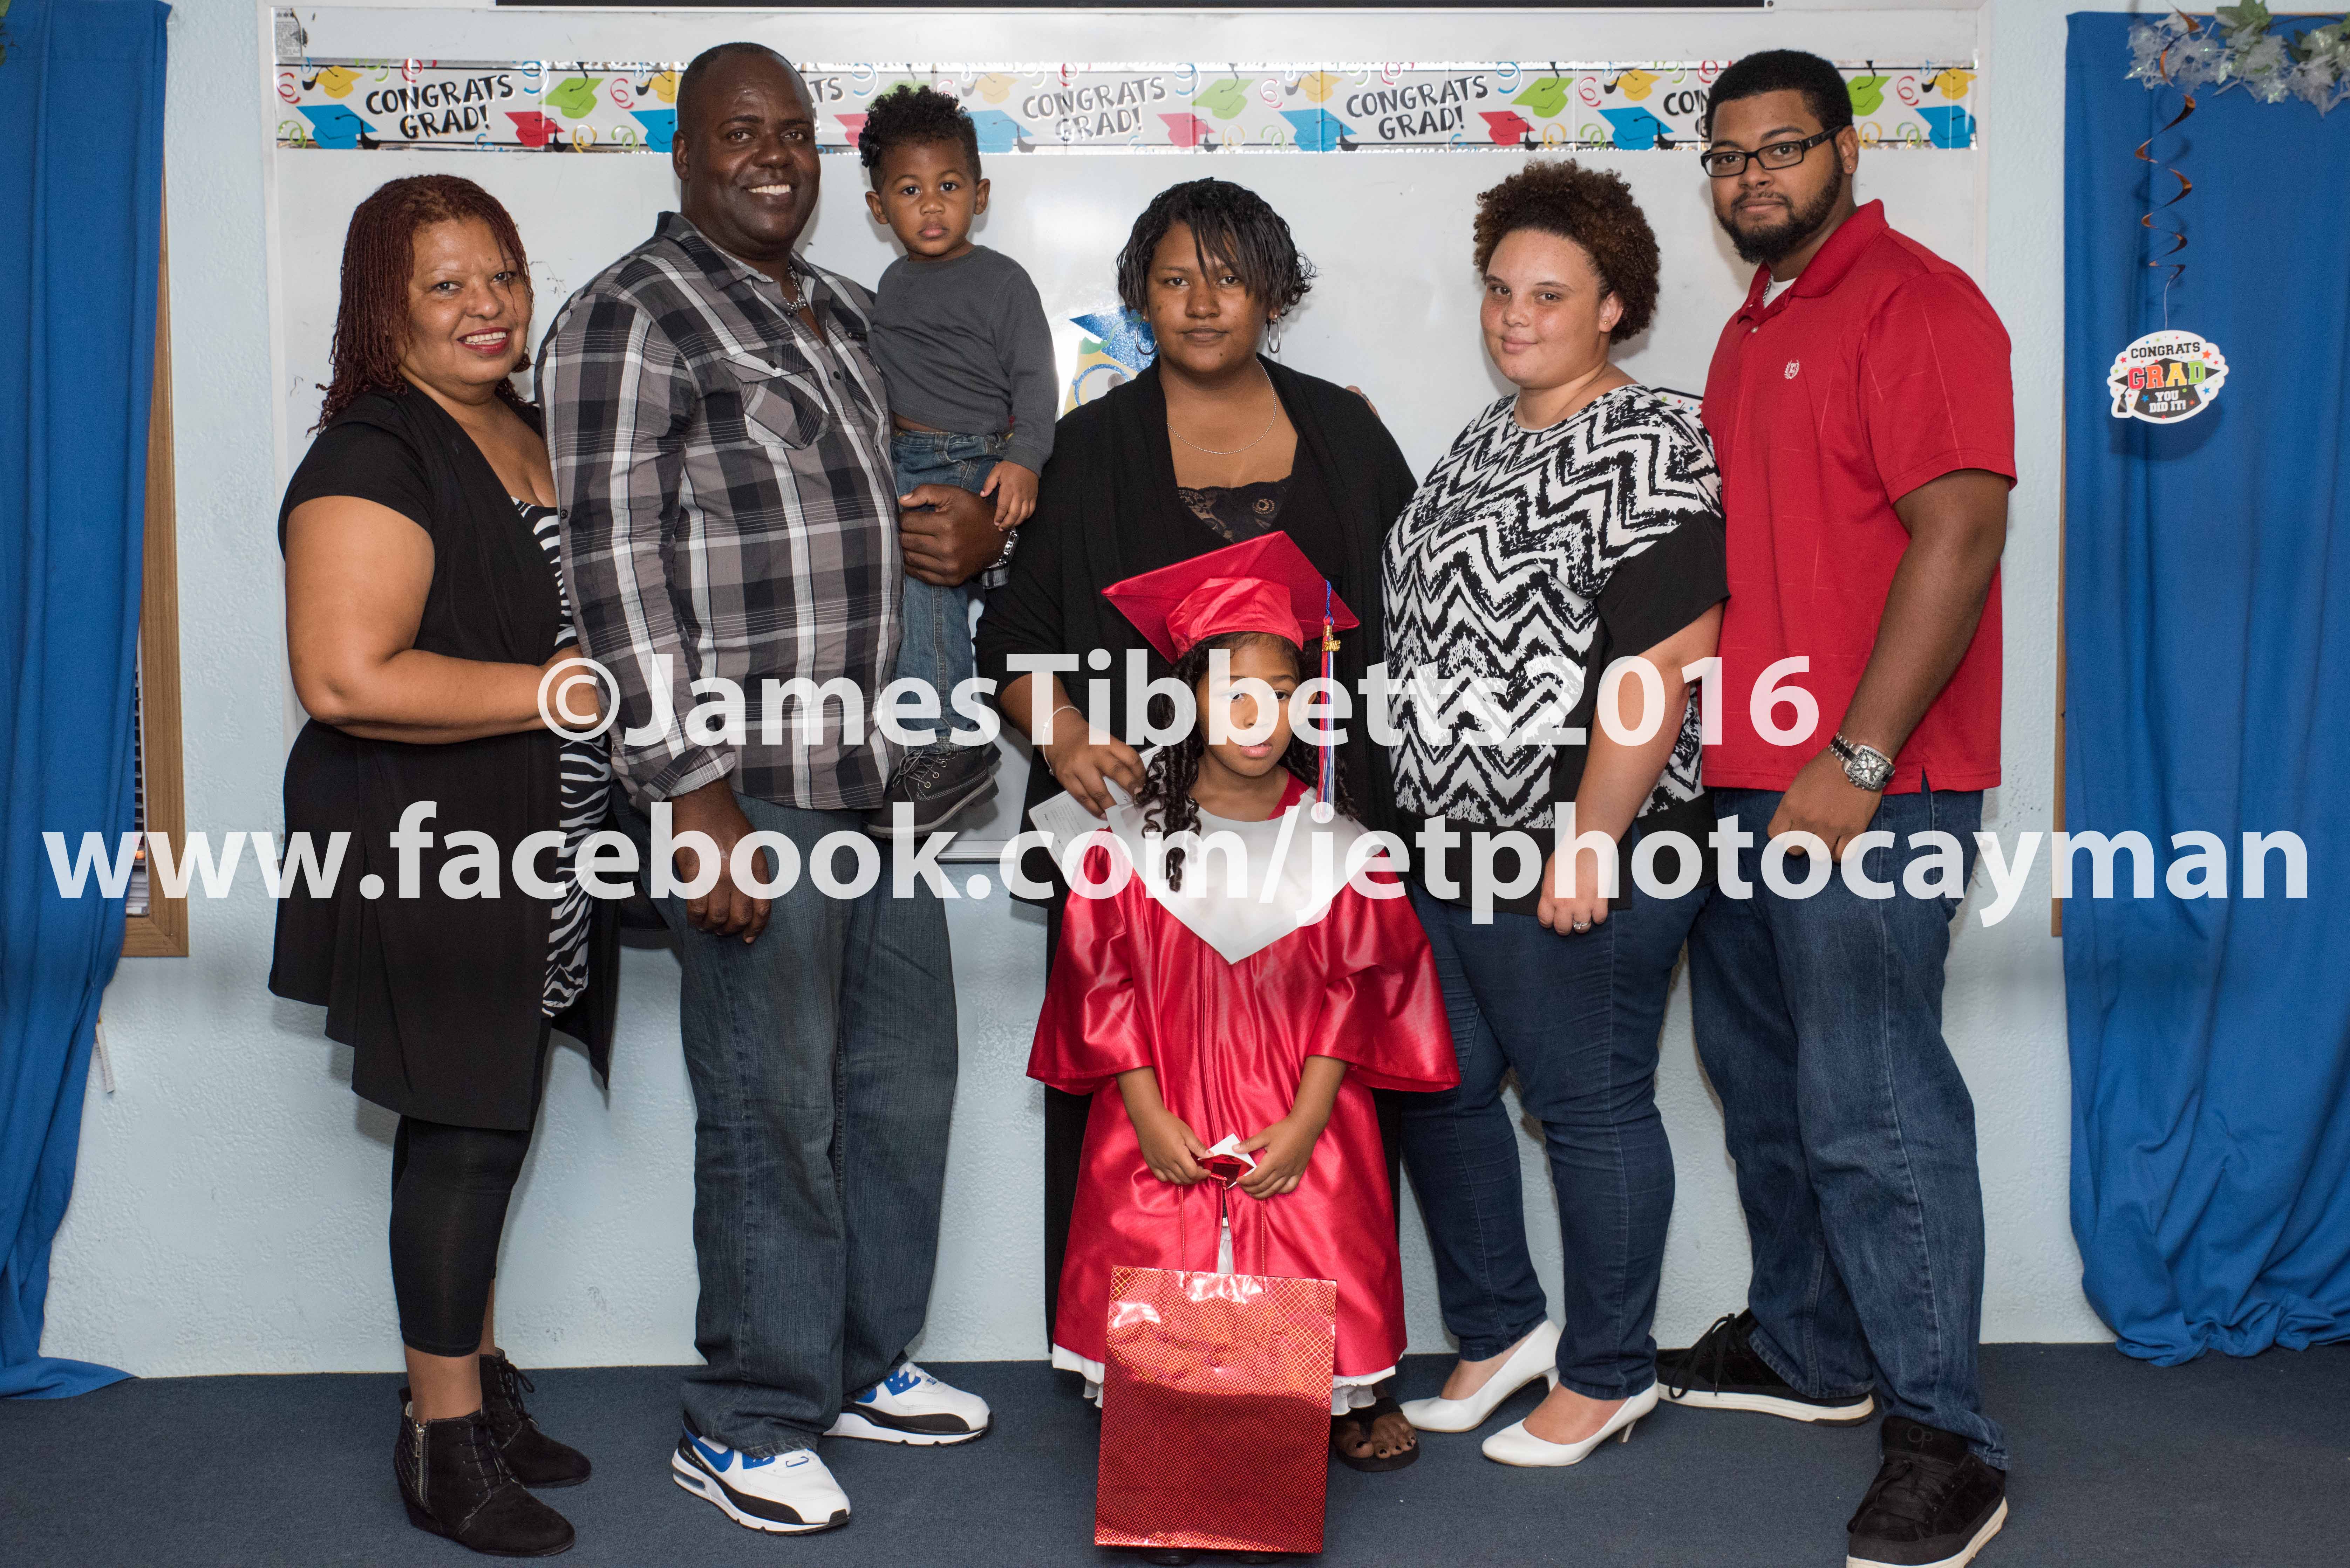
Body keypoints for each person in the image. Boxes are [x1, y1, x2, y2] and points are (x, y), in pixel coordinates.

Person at [537, 43, 989, 1538]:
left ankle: (859, 1364)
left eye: (793, 131)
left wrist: (964, 542)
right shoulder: (627, 313)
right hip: (748, 783)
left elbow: (858, 526)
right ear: (683, 153)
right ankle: (744, 1416)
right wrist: (689, 793)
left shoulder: (845, 311)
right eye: (741, 132)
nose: (773, 156)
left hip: (877, 781)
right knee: (770, 1103)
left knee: (900, 1085)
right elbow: (612, 562)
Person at [971, 176, 1425, 1465]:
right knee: (1141, 1117)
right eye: (1172, 279)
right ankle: (1142, 1366)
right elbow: (1012, 637)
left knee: (1328, 1115)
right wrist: (1065, 736)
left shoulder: (1345, 433)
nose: (1201, 302)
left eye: (1228, 276)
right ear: (1138, 298)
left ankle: (1346, 1375)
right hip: (1148, 846)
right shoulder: (1093, 446)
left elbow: (1410, 624)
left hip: (1314, 835)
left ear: (1274, 292)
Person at [1660, 49, 2015, 1568]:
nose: (1752, 177)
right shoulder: (1751, 325)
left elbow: (1961, 534)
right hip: (1746, 778)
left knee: (1871, 1104)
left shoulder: (1914, 303)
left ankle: (1944, 1438)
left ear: (1846, 151)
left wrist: (1856, 760)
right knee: (1765, 1085)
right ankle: (1812, 1348)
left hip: (1872, 789)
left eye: (1781, 148)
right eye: (1728, 155)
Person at [272, 173, 616, 1557]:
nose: (488, 306)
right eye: (446, 285)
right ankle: (440, 1439)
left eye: (503, 275)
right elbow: (345, 676)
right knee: (464, 1131)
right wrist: (555, 693)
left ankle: (472, 1382)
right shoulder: (374, 454)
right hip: (433, 845)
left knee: (495, 1109)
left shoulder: (523, 428)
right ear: (384, 308)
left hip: (536, 847)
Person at [1378, 162, 1728, 1468]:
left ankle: (1609, 1370)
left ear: (1612, 307)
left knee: (1587, 1103)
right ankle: (1499, 1330)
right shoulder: (1483, 436)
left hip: (1579, 849)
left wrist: (1589, 839)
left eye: (1547, 295)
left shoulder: (1653, 440)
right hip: (1446, 847)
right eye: (1498, 290)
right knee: (1445, 1087)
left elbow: (1663, 661)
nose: (1513, 316)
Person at [1028, 536, 1458, 1516]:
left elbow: (1354, 994)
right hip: (1161, 1106)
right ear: (1186, 701)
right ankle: (1176, 1422)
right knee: (1160, 1235)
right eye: (1232, 693)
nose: (1259, 716)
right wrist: (1146, 1114)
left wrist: (1305, 1123)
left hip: (1299, 1111)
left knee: (1312, 1229)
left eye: (1283, 691)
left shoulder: (1340, 846)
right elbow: (1103, 986)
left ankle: (1324, 1406)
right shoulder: (1126, 840)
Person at [858, 83, 1056, 834]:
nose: (931, 206)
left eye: (948, 186)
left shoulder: (1001, 280)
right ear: (879, 208)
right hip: (901, 458)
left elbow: (1035, 380)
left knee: (930, 586)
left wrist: (1025, 458)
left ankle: (951, 743)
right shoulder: (891, 284)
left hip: (973, 458)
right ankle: (915, 737)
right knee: (900, 604)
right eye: (909, 191)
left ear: (980, 194)